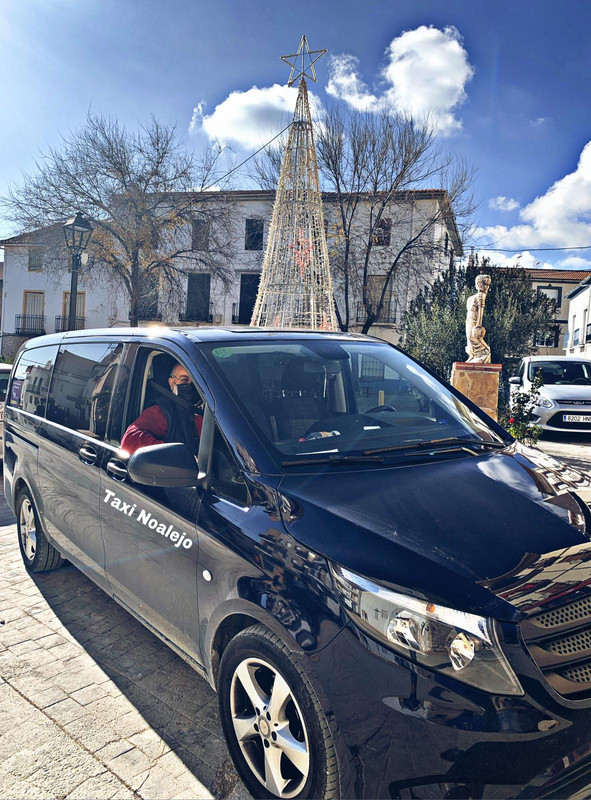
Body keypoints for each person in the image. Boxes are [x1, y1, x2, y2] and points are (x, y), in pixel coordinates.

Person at [121, 362, 203, 456]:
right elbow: (130, 440)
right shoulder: (161, 411)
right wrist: (175, 456)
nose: (190, 385)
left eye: (196, 381)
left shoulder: (211, 406)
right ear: (172, 383)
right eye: (184, 380)